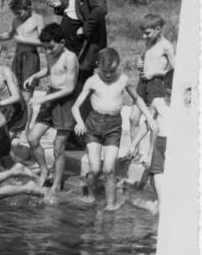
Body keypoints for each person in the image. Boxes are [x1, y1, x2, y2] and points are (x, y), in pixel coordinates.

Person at [72, 48, 157, 211]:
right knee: (96, 169)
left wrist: (150, 117)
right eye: (105, 71)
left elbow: (137, 99)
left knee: (109, 169)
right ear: (98, 66)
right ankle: (89, 190)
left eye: (112, 71)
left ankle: (111, 204)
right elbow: (76, 106)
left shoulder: (123, 80)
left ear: (117, 66)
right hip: (94, 125)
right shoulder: (93, 81)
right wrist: (79, 122)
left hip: (113, 126)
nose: (109, 75)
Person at [45, 0, 107, 90]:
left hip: (79, 37)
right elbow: (78, 8)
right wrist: (61, 5)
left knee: (79, 73)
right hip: (69, 31)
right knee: (66, 68)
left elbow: (100, 9)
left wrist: (85, 29)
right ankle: (63, 102)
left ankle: (77, 106)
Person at [25, 23, 78, 191]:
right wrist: (34, 76)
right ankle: (43, 171)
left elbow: (69, 88)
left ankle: (56, 183)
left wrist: (43, 98)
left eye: (51, 48)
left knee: (58, 148)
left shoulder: (70, 58)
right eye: (45, 48)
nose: (47, 52)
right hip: (51, 96)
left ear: (62, 42)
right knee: (33, 138)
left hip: (65, 101)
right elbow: (49, 70)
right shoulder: (51, 53)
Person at [129, 13, 175, 156]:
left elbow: (174, 69)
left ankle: (150, 154)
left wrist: (155, 73)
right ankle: (134, 152)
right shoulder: (149, 41)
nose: (144, 36)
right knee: (133, 117)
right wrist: (140, 61)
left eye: (147, 33)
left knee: (151, 119)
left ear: (158, 30)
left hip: (156, 83)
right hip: (142, 82)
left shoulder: (166, 46)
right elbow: (148, 56)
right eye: (142, 33)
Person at [0, 0, 45, 134]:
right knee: (16, 92)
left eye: (20, 12)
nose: (18, 15)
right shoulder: (16, 20)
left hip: (31, 57)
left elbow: (44, 41)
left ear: (29, 8)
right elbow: (11, 34)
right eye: (15, 13)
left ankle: (26, 130)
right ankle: (17, 126)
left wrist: (24, 40)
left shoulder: (37, 19)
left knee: (27, 96)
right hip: (18, 56)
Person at [130, 80, 170, 215]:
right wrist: (134, 143)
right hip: (160, 145)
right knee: (158, 184)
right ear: (165, 89)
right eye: (169, 93)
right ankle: (158, 209)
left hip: (175, 147)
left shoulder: (187, 105)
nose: (172, 97)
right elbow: (148, 124)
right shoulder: (158, 103)